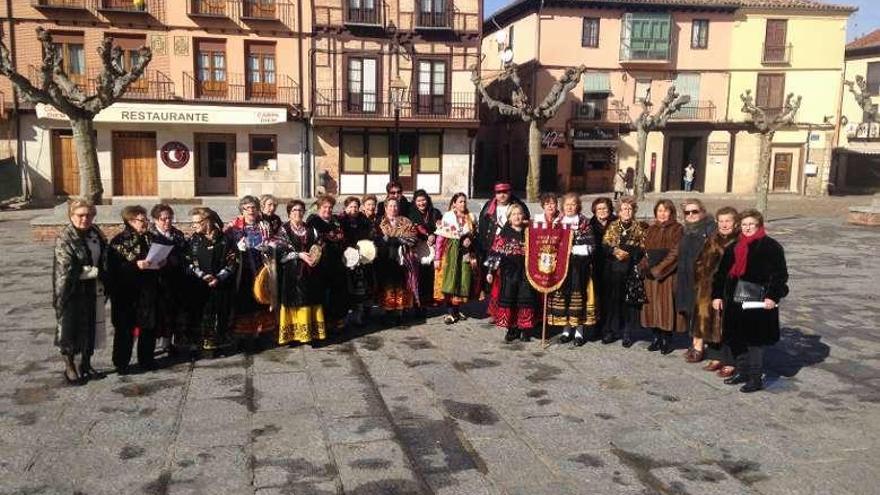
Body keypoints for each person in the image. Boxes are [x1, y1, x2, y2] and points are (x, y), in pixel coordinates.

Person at [712, 209, 789, 393]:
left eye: (751, 224)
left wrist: (773, 296)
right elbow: (721, 274)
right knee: (737, 338)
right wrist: (716, 295)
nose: (747, 228)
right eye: (744, 224)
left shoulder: (771, 247)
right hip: (734, 300)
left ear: (759, 226)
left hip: (757, 300)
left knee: (754, 341)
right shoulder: (734, 247)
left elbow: (780, 275)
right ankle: (742, 371)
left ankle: (755, 378)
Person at [53, 198, 109, 385]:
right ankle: (70, 366)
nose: (85, 219)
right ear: (71, 215)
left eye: (89, 215)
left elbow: (104, 255)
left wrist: (105, 272)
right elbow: (66, 267)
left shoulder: (95, 232)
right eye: (80, 215)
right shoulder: (65, 237)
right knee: (70, 328)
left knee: (90, 326)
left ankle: (86, 363)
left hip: (92, 289)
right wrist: (93, 271)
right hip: (71, 290)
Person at [109, 205, 162, 373]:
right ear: (130, 221)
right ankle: (121, 363)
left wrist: (162, 261)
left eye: (146, 219)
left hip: (148, 289)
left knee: (148, 326)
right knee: (125, 328)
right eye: (142, 220)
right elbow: (113, 268)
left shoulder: (151, 238)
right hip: (126, 292)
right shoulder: (119, 241)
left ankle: (147, 359)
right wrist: (135, 265)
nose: (145, 222)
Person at [185, 207, 237, 356]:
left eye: (197, 222)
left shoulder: (225, 239)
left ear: (207, 222)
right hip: (200, 286)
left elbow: (233, 261)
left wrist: (219, 277)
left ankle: (221, 345)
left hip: (221, 285)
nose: (194, 226)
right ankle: (204, 347)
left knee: (221, 314)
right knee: (203, 316)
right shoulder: (193, 240)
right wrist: (203, 276)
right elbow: (189, 261)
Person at [694, 207, 739, 378]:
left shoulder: (739, 241)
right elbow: (700, 260)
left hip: (729, 288)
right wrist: (700, 278)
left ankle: (730, 361)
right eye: (721, 221)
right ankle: (715, 357)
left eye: (727, 221)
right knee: (710, 320)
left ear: (735, 223)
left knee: (727, 323)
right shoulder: (712, 239)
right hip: (709, 287)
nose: (724, 224)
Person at [274, 200, 326, 345]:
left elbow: (319, 244)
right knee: (294, 300)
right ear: (289, 213)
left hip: (311, 271)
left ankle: (310, 333)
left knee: (311, 299)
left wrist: (315, 256)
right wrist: (299, 255)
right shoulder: (283, 230)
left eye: (300, 210)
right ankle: (294, 335)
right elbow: (280, 253)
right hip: (292, 273)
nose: (298, 213)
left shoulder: (311, 229)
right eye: (294, 210)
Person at [225, 196, 276, 340]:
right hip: (243, 268)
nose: (251, 211)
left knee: (262, 297)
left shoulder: (264, 225)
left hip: (261, 266)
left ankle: (262, 332)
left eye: (254, 207)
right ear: (242, 210)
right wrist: (237, 248)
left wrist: (269, 246)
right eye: (247, 208)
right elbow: (226, 247)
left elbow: (272, 240)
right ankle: (245, 335)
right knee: (245, 299)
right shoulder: (234, 228)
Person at [477, 182, 529, 323]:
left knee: (510, 284)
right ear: (495, 194)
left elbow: (526, 225)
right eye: (499, 192)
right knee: (495, 283)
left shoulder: (519, 206)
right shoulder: (489, 207)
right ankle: (496, 312)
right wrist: (483, 248)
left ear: (510, 192)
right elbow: (482, 228)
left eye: (505, 192)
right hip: (494, 247)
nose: (502, 195)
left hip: (514, 247)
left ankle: (513, 314)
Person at [550, 193, 598, 346]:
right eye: (567, 204)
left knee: (578, 297)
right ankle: (566, 330)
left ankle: (579, 332)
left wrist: (571, 249)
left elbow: (590, 246)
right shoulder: (557, 222)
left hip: (579, 267)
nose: (570, 207)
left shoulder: (584, 222)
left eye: (573, 204)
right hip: (562, 268)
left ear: (578, 206)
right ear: (563, 206)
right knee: (565, 297)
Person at [485, 204, 536, 342]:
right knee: (511, 300)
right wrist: (490, 271)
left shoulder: (529, 231)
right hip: (509, 273)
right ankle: (512, 328)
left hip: (526, 273)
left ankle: (524, 328)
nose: (517, 216)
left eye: (519, 214)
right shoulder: (504, 233)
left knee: (525, 299)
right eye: (514, 214)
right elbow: (495, 253)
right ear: (509, 218)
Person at [601, 197, 647, 347]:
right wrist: (614, 250)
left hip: (630, 270)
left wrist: (629, 252)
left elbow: (643, 247)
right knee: (612, 301)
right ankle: (610, 331)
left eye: (629, 209)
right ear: (619, 211)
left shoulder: (638, 227)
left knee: (629, 303)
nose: (627, 211)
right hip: (613, 269)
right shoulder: (613, 226)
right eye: (624, 209)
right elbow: (605, 244)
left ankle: (627, 333)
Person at [640, 199, 684, 355]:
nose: (662, 214)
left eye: (666, 210)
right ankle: (656, 337)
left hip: (668, 274)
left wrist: (660, 269)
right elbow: (645, 250)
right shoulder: (651, 229)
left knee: (666, 306)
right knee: (651, 305)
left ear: (671, 212)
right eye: (659, 210)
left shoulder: (677, 229)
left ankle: (667, 338)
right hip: (650, 274)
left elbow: (675, 252)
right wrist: (644, 266)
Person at [675, 199, 716, 363]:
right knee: (691, 310)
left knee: (701, 311)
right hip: (686, 276)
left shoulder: (710, 229)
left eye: (695, 212)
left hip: (703, 278)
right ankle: (695, 342)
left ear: (702, 212)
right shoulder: (686, 230)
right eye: (687, 212)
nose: (691, 215)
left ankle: (699, 346)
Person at [435, 193, 481, 324]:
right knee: (451, 280)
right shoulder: (448, 217)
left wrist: (470, 239)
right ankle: (449, 312)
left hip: (465, 253)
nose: (463, 204)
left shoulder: (471, 217)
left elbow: (475, 235)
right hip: (450, 252)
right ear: (454, 203)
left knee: (462, 280)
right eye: (460, 202)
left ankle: (456, 309)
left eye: (464, 202)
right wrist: (437, 258)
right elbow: (440, 238)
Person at [149, 203, 188, 355]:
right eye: (163, 219)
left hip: (174, 278)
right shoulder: (150, 236)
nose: (167, 222)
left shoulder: (177, 235)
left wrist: (172, 260)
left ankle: (168, 343)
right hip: (156, 280)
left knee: (172, 312)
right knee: (157, 314)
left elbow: (184, 254)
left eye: (169, 218)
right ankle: (151, 345)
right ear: (155, 220)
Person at [307, 195, 349, 331]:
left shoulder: (336, 221)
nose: (328, 210)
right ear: (319, 208)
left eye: (330, 207)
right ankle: (322, 324)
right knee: (322, 295)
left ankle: (336, 322)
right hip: (321, 264)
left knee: (337, 294)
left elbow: (342, 238)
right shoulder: (313, 221)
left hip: (337, 263)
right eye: (325, 207)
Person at [374, 197, 419, 324]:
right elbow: (375, 239)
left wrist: (398, 240)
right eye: (390, 206)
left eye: (395, 206)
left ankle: (399, 312)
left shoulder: (405, 221)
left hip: (402, 260)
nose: (393, 209)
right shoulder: (379, 222)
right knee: (387, 285)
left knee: (400, 285)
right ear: (385, 207)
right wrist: (387, 240)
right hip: (385, 259)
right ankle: (387, 311)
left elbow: (413, 238)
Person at [339, 196, 375, 326]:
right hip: (346, 257)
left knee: (360, 287)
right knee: (347, 287)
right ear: (345, 208)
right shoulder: (340, 220)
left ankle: (359, 314)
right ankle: (345, 315)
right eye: (350, 207)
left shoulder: (363, 220)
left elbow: (368, 236)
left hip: (361, 257)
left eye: (355, 206)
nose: (353, 209)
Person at [408, 189, 443, 310]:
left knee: (431, 275)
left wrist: (434, 235)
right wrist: (426, 236)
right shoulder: (411, 214)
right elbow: (412, 230)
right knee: (418, 276)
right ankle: (418, 303)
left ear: (427, 200)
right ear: (414, 202)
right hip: (417, 249)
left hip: (433, 249)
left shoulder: (435, 212)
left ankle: (429, 301)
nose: (421, 203)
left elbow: (441, 228)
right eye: (418, 200)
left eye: (423, 200)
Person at [589, 197, 615, 338]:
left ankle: (608, 329)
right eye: (599, 209)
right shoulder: (589, 224)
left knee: (610, 298)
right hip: (596, 265)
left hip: (613, 265)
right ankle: (596, 327)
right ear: (594, 211)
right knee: (597, 297)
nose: (602, 211)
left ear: (610, 209)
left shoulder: (616, 223)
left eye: (605, 208)